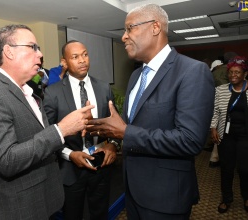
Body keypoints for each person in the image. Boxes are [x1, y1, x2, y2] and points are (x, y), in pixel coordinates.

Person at [86, 4, 215, 219]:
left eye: (130, 28)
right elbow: (133, 125)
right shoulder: (137, 76)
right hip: (133, 192)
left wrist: (125, 133)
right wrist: (112, 140)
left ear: (155, 27)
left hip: (166, 197)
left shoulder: (192, 71)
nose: (124, 37)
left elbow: (190, 140)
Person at [0, 24, 94, 220]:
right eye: (33, 47)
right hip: (20, 207)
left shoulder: (30, 89)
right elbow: (7, 160)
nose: (40, 54)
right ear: (9, 52)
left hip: (45, 198)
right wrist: (61, 130)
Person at [43, 40, 119, 220]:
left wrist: (113, 145)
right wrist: (70, 155)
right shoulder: (52, 93)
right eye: (75, 57)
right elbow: (48, 133)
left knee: (100, 214)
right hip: (70, 170)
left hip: (101, 165)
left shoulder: (103, 87)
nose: (82, 60)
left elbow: (115, 124)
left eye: (85, 54)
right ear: (64, 62)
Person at [210, 56, 248, 213]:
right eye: (231, 72)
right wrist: (213, 128)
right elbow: (216, 112)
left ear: (244, 74)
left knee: (245, 169)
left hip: (246, 136)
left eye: (237, 72)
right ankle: (226, 199)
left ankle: (246, 197)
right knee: (226, 168)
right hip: (226, 136)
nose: (233, 75)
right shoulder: (220, 90)